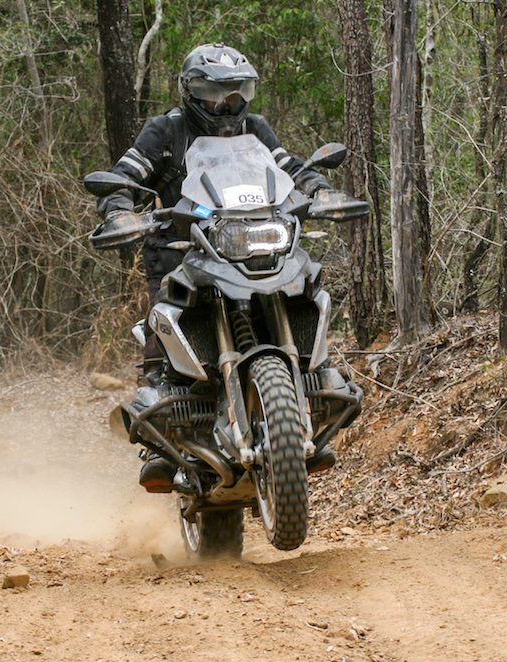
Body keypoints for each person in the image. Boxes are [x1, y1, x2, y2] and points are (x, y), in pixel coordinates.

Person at [93, 43, 336, 493]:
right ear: (190, 91)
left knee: (304, 291)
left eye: (235, 93)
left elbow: (290, 167)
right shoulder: (164, 130)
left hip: (254, 242)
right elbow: (126, 173)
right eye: (213, 93)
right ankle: (157, 441)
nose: (226, 104)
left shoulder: (256, 127)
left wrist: (319, 189)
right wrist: (119, 208)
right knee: (161, 332)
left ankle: (303, 405)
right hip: (180, 250)